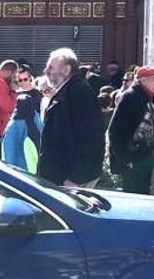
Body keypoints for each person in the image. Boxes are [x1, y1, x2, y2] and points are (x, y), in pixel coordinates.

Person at [37, 48, 105, 187]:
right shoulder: (67, 92)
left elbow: (91, 136)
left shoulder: (79, 92)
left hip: (71, 178)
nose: (45, 71)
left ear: (66, 70)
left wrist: (77, 177)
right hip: (61, 175)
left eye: (51, 67)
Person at [107, 65, 154, 195]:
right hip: (133, 161)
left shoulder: (146, 97)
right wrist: (127, 159)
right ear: (143, 80)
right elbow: (115, 131)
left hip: (143, 159)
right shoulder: (130, 97)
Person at [1, 69, 42, 171]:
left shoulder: (11, 126)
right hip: (32, 167)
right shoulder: (34, 120)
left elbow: (7, 147)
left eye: (25, 79)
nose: (23, 82)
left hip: (13, 169)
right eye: (20, 80)